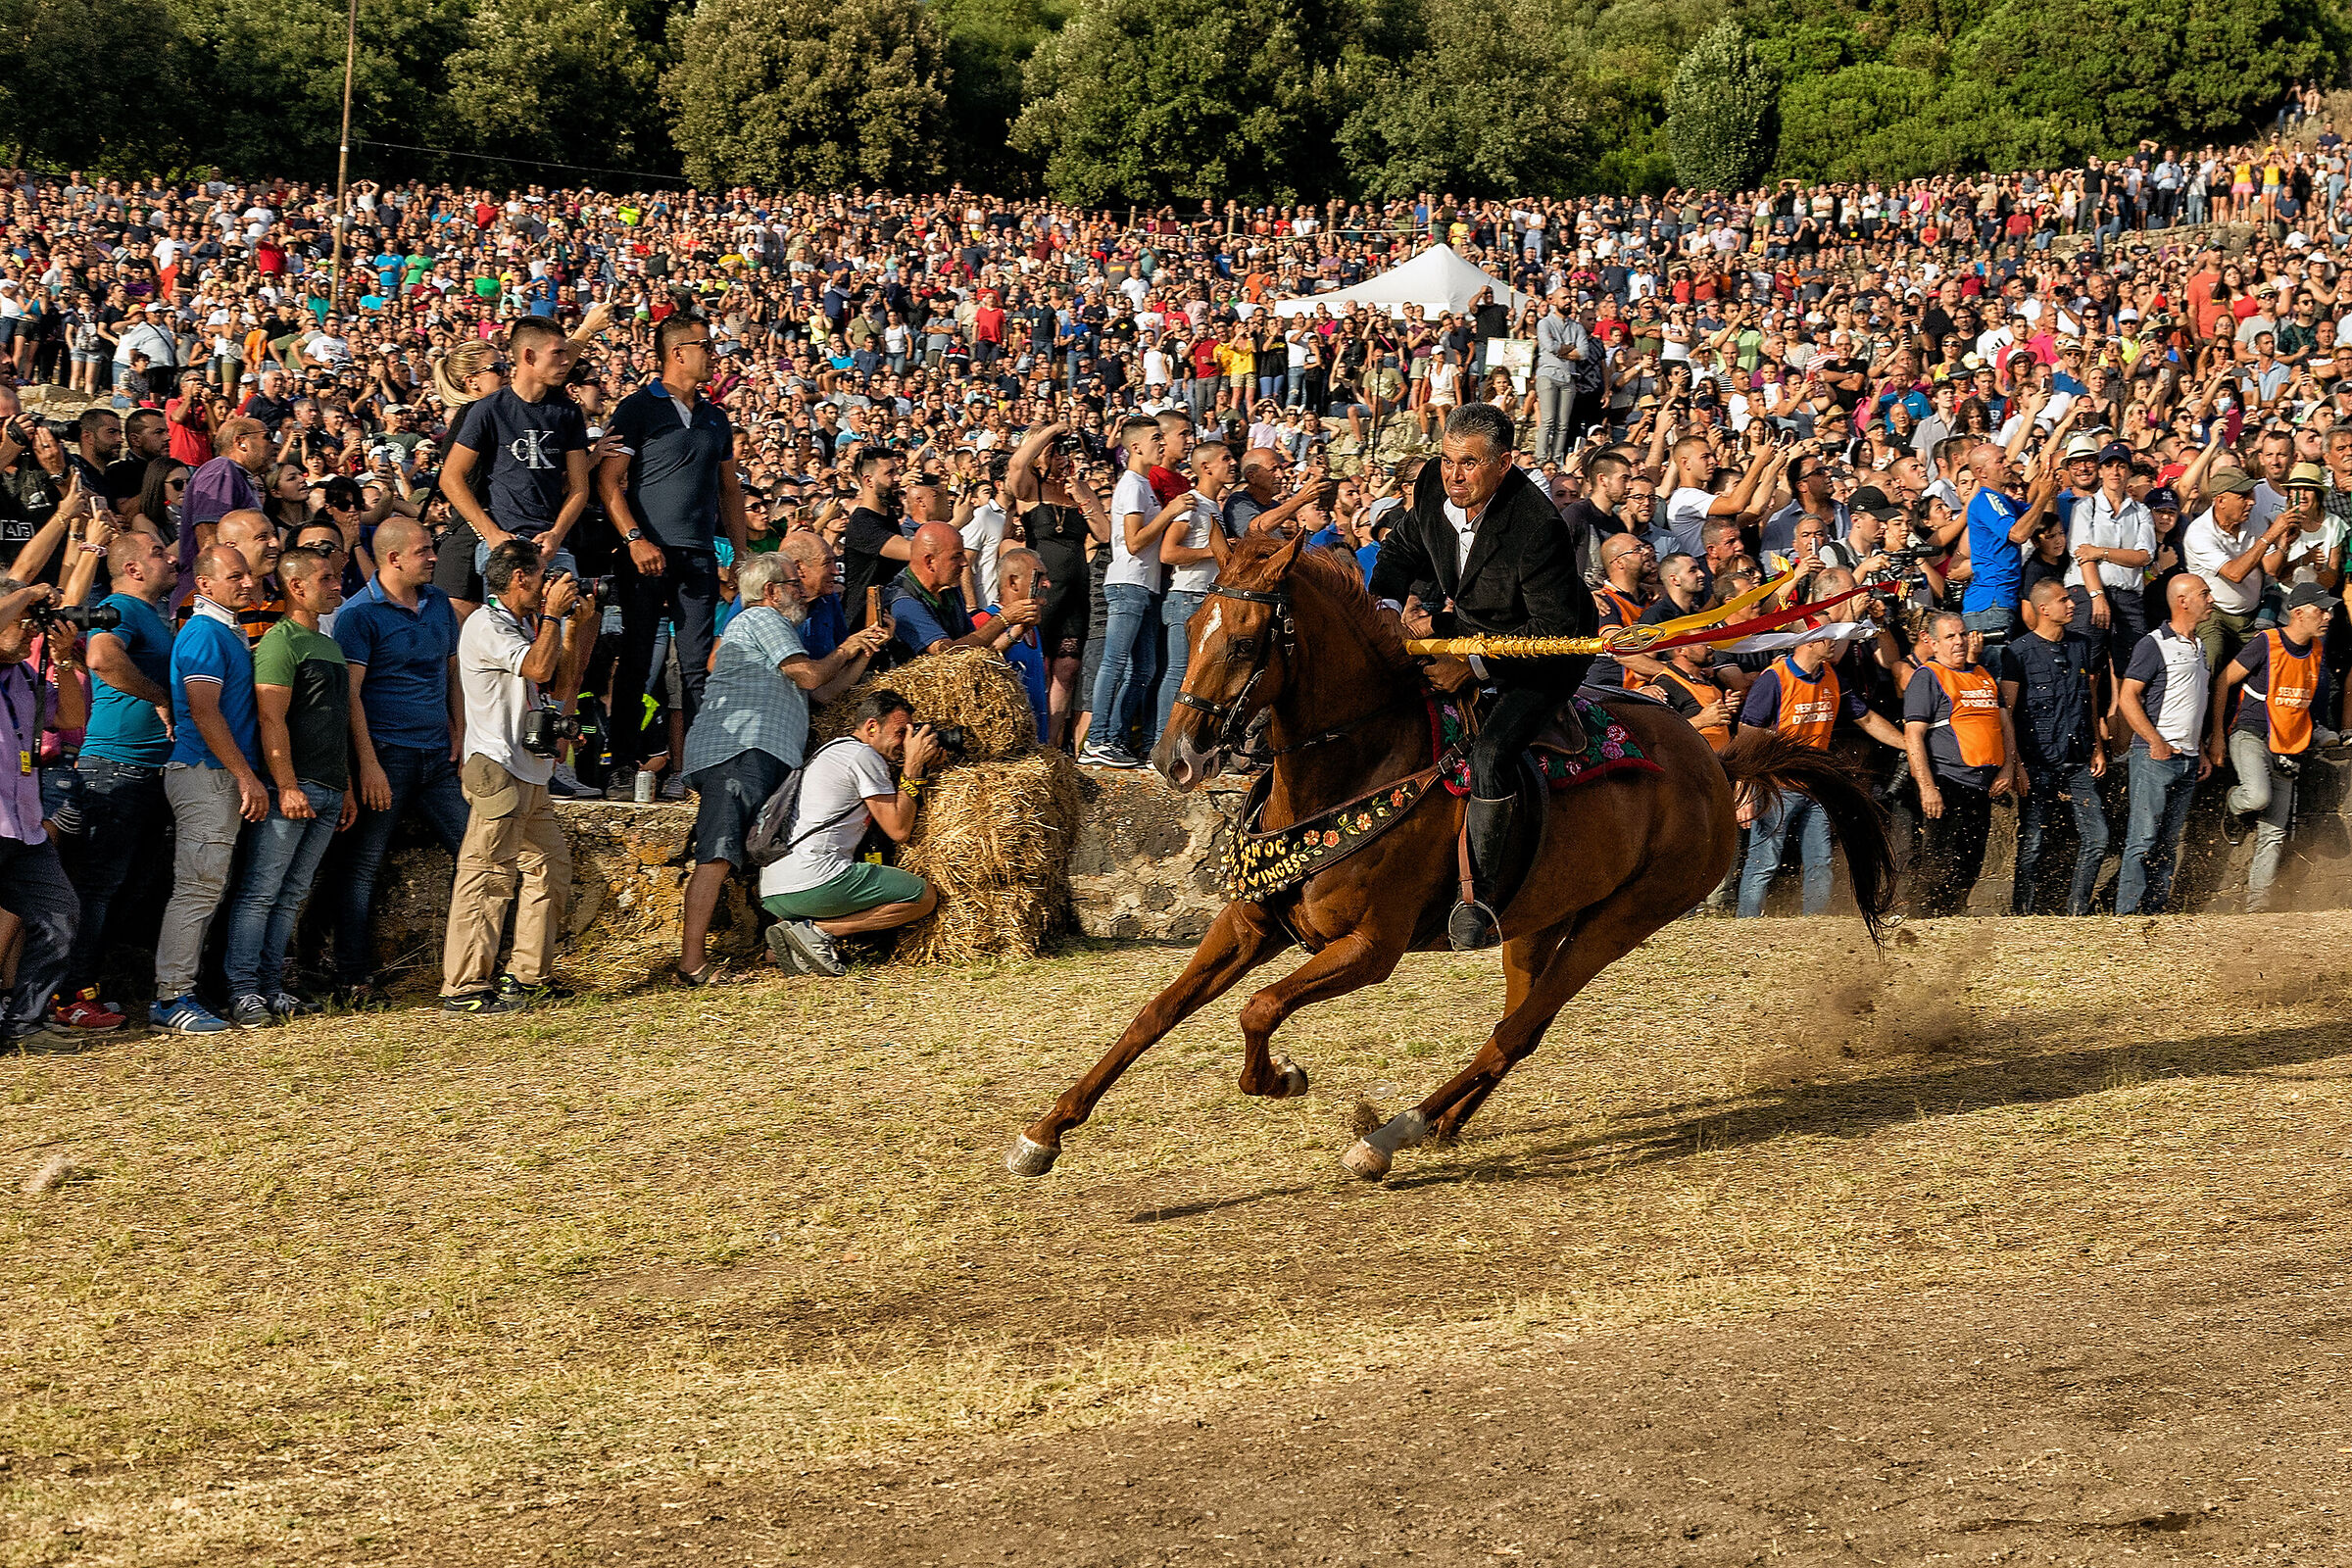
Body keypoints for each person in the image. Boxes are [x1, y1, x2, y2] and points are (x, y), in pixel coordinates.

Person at [1370, 403, 1595, 949]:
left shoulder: (1539, 525)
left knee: (1493, 752)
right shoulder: (1430, 484)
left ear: (1504, 463)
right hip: (1471, 627)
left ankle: (1482, 901)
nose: (1453, 474)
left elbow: (1553, 630)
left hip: (1546, 653)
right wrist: (1384, 608)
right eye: (1448, 460)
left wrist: (1472, 667)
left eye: (1469, 464)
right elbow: (1399, 551)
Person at [674, 551, 892, 986]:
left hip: (760, 753)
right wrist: (848, 645)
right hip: (739, 754)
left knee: (748, 853)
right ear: (771, 592)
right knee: (717, 855)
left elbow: (825, 693)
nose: (803, 593)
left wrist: (863, 652)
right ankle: (691, 963)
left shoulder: (772, 630)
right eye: (795, 584)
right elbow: (812, 677)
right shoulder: (761, 620)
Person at [599, 313, 750, 789]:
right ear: (677, 352)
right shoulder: (637, 408)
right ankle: (621, 761)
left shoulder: (715, 417)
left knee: (697, 663)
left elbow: (729, 490)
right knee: (638, 658)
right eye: (704, 344)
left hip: (699, 555)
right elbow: (608, 481)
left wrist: (741, 555)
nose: (713, 353)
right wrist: (633, 538)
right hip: (644, 553)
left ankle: (703, 765)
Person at [326, 516, 467, 1009]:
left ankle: (476, 965)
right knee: (362, 865)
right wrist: (367, 764)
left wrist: (459, 730)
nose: (433, 556)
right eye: (424, 549)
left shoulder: (437, 605)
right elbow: (351, 696)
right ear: (392, 559)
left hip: (437, 755)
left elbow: (451, 671)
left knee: (474, 853)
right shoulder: (358, 615)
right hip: (387, 753)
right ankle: (353, 977)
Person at [440, 540, 582, 1014]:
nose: (549, 585)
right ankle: (464, 986)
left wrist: (575, 627)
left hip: (530, 769)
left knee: (550, 868)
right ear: (519, 577)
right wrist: (554, 618)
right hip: (495, 766)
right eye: (543, 576)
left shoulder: (525, 625)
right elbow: (537, 666)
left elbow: (559, 683)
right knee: (487, 873)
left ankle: (528, 975)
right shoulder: (485, 623)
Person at [51, 527, 176, 1033]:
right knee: (101, 886)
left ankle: (86, 987)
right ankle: (69, 994)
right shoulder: (122, 607)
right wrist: (160, 696)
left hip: (144, 768)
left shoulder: (151, 614)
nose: (169, 557)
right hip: (118, 766)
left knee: (129, 885)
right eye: (156, 552)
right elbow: (102, 658)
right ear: (132, 569)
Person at [220, 546, 351, 1027]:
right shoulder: (281, 641)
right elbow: (271, 718)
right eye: (326, 578)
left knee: (291, 893)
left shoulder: (330, 645)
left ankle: (272, 986)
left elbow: (336, 723)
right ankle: (243, 990)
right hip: (292, 790)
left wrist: (347, 788)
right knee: (260, 891)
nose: (337, 585)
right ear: (296, 587)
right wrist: (287, 784)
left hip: (329, 788)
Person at [153, 544, 271, 1035]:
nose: (247, 582)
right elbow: (204, 710)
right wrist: (245, 775)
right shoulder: (203, 631)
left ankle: (182, 991)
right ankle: (170, 998)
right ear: (204, 585)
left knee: (205, 888)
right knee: (197, 889)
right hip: (206, 773)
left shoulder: (222, 629)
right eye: (234, 576)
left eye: (247, 574)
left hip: (214, 773)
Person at [757, 688, 944, 978]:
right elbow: (899, 829)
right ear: (871, 727)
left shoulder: (833, 751)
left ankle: (788, 941)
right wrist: (913, 768)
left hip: (775, 892)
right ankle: (818, 932)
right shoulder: (862, 755)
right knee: (923, 896)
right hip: (815, 881)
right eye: (899, 732)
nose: (905, 741)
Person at [1736, 633, 1905, 917]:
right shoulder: (1774, 678)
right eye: (1828, 636)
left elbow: (1866, 718)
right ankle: (1746, 925)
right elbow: (1746, 736)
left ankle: (1816, 925)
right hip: (1777, 786)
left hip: (1817, 787)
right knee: (1763, 861)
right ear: (1808, 641)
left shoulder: (1831, 676)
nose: (1835, 642)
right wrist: (1744, 792)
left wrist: (1908, 745)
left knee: (1820, 860)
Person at [442, 317, 591, 580]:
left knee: (569, 618)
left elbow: (579, 486)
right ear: (529, 356)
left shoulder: (567, 412)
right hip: (505, 546)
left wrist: (556, 533)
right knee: (507, 623)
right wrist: (491, 534)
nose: (566, 361)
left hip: (553, 545)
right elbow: (451, 477)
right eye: (557, 353)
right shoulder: (488, 409)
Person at [2211, 581, 2329, 911]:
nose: (2329, 616)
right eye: (2322, 610)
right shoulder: (2267, 642)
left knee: (2274, 831)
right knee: (2257, 796)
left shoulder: (2317, 650)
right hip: (2250, 734)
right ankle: (2234, 804)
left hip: (2289, 746)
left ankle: (2256, 906)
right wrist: (2218, 735)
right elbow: (2223, 681)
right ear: (2299, 613)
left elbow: (2308, 705)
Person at [0, 579, 83, 1047]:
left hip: (23, 826)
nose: (30, 631)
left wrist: (65, 658)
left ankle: (23, 1024)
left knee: (60, 915)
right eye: (22, 621)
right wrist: (29, 593)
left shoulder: (25, 677)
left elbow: (70, 718)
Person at [1999, 579, 2108, 916]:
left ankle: (2077, 911)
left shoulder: (2081, 645)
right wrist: (2014, 764)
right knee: (2032, 841)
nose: (2072, 605)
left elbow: (2088, 700)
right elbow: (2007, 713)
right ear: (2044, 608)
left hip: (2078, 759)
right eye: (2064, 600)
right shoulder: (2016, 652)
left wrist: (2098, 747)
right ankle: (2022, 913)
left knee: (2098, 838)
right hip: (2036, 761)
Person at [1904, 610, 2023, 917]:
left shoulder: (1982, 674)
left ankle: (1951, 923)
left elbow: (2005, 725)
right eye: (1950, 637)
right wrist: (1927, 788)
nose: (1959, 641)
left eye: (1962, 634)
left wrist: (2009, 768)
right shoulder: (1927, 676)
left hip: (1982, 787)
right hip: (1948, 783)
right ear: (1931, 643)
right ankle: (1922, 926)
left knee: (1968, 865)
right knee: (1938, 866)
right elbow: (1913, 736)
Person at [2117, 573, 2216, 915]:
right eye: (2204, 593)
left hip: (2187, 757)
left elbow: (2194, 703)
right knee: (2143, 840)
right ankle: (2127, 918)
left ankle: (2155, 912)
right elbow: (2128, 696)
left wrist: (2200, 749)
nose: (2211, 598)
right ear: (2182, 601)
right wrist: (2154, 741)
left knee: (2167, 842)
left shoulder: (2199, 645)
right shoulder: (2154, 643)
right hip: (2155, 756)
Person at [1085, 416, 1168, 767]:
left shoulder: (1144, 485)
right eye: (1155, 438)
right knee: (1116, 663)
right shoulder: (1132, 485)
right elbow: (1134, 542)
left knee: (1144, 670)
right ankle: (1097, 739)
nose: (1161, 443)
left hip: (1144, 587)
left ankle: (1115, 739)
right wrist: (1171, 513)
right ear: (1135, 447)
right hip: (1128, 583)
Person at [2181, 467, 2295, 676]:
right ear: (2220, 500)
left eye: (2252, 494)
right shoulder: (2199, 533)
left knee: (2264, 667)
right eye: (2243, 496)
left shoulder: (2255, 519)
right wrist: (2271, 535)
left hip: (2250, 613)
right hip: (2213, 613)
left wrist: (2283, 543)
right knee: (2212, 657)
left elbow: (2271, 568)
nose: (2251, 501)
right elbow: (2235, 573)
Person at [889, 521, 1040, 660]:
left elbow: (974, 651)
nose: (965, 563)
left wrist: (1015, 632)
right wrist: (1003, 619)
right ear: (930, 562)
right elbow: (948, 655)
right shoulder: (903, 603)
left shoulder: (949, 589)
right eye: (957, 556)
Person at [977, 549, 1054, 740]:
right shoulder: (983, 621)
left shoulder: (1034, 627)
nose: (1047, 583)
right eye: (1039, 577)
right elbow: (974, 666)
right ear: (1013, 582)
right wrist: (1013, 634)